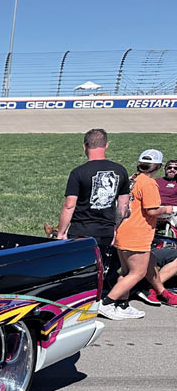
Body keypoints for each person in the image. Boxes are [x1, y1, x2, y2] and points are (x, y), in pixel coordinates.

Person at [100, 150, 177, 320]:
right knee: (138, 273)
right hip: (137, 234)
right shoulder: (148, 183)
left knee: (127, 272)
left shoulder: (132, 180)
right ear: (157, 166)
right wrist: (169, 209)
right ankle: (107, 303)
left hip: (124, 230)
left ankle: (122, 304)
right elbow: (152, 210)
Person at [56, 129, 130, 288]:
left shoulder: (78, 172)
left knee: (78, 268)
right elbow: (123, 207)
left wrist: (61, 232)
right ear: (107, 145)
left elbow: (69, 205)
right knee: (100, 267)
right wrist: (115, 227)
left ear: (85, 147)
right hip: (105, 230)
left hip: (81, 229)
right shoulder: (120, 170)